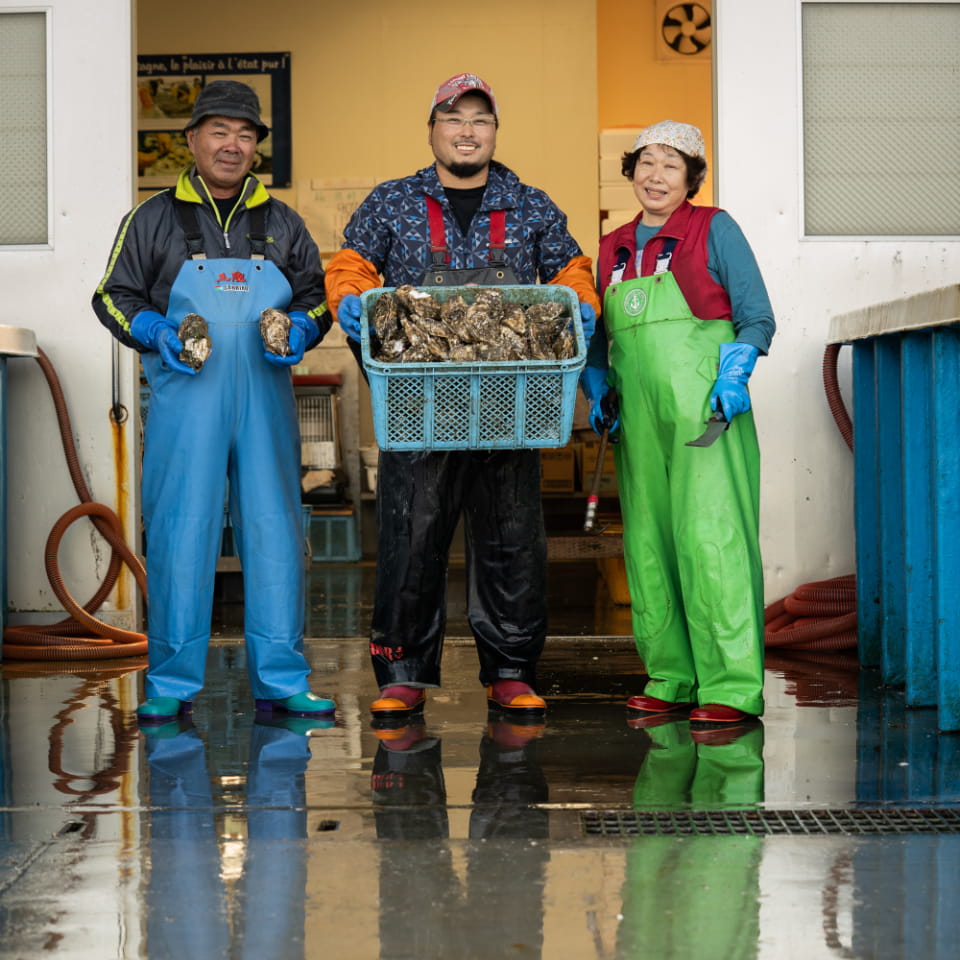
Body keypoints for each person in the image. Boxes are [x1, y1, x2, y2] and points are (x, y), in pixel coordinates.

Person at [324, 72, 600, 722]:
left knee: (511, 536)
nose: (467, 130)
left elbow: (571, 269)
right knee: (409, 536)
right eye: (454, 118)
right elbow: (351, 263)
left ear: (494, 132)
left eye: (480, 119)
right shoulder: (393, 202)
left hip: (510, 403)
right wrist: (349, 300)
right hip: (417, 405)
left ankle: (509, 670)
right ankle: (403, 672)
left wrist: (582, 305)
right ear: (433, 130)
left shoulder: (529, 204)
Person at [93, 80, 334, 723]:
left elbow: (316, 294)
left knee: (275, 531)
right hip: (186, 398)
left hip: (265, 396)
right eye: (220, 131)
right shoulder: (153, 218)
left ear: (257, 146)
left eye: (246, 134)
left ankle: (282, 678)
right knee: (180, 531)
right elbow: (113, 295)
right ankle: (171, 680)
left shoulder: (281, 222)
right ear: (193, 138)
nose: (233, 145)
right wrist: (153, 331)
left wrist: (305, 328)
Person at [581, 120, 775, 726]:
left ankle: (732, 685)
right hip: (638, 420)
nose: (655, 175)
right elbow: (595, 339)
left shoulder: (714, 228)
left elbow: (756, 318)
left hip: (705, 414)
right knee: (648, 544)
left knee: (712, 541)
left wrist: (734, 373)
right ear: (631, 171)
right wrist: (596, 384)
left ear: (691, 177)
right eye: (645, 162)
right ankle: (671, 675)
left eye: (671, 164)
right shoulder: (609, 248)